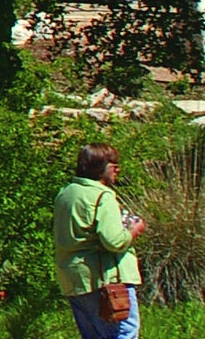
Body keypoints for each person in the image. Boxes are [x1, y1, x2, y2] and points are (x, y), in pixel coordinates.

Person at [56, 143, 143, 339]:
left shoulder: (66, 193)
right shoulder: (103, 196)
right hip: (105, 280)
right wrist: (133, 231)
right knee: (124, 333)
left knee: (92, 334)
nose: (118, 169)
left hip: (73, 278)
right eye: (113, 165)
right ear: (99, 167)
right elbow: (113, 241)